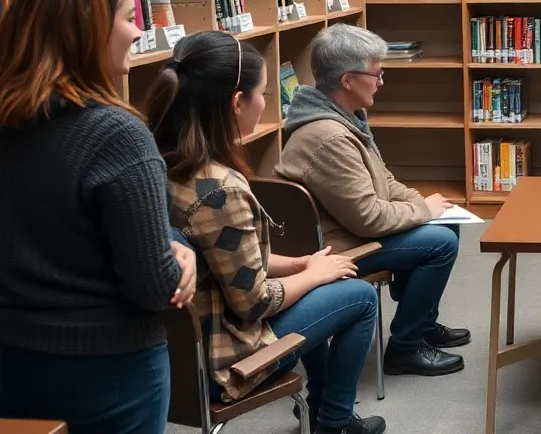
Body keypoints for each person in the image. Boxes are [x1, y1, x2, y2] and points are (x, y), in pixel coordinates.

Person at [147, 31, 385, 434]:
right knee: (359, 297)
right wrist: (312, 276)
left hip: (177, 353)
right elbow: (253, 304)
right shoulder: (219, 190)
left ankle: (326, 410)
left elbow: (224, 259)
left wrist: (297, 264)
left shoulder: (161, 164)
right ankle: (335, 423)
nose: (267, 103)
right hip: (226, 357)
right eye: (262, 93)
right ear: (237, 103)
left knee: (323, 283)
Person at [0, 0, 194, 434]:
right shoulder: (118, 135)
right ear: (87, 31)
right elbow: (155, 287)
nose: (137, 32)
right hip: (108, 373)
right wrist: (182, 249)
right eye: (129, 19)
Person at [278, 23, 469, 377]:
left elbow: (384, 181)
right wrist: (420, 210)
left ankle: (422, 324)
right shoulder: (329, 137)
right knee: (440, 241)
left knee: (446, 222)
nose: (381, 81)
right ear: (348, 80)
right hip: (338, 248)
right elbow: (367, 218)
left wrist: (425, 205)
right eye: (376, 73)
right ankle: (405, 348)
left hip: (352, 230)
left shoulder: (345, 117)